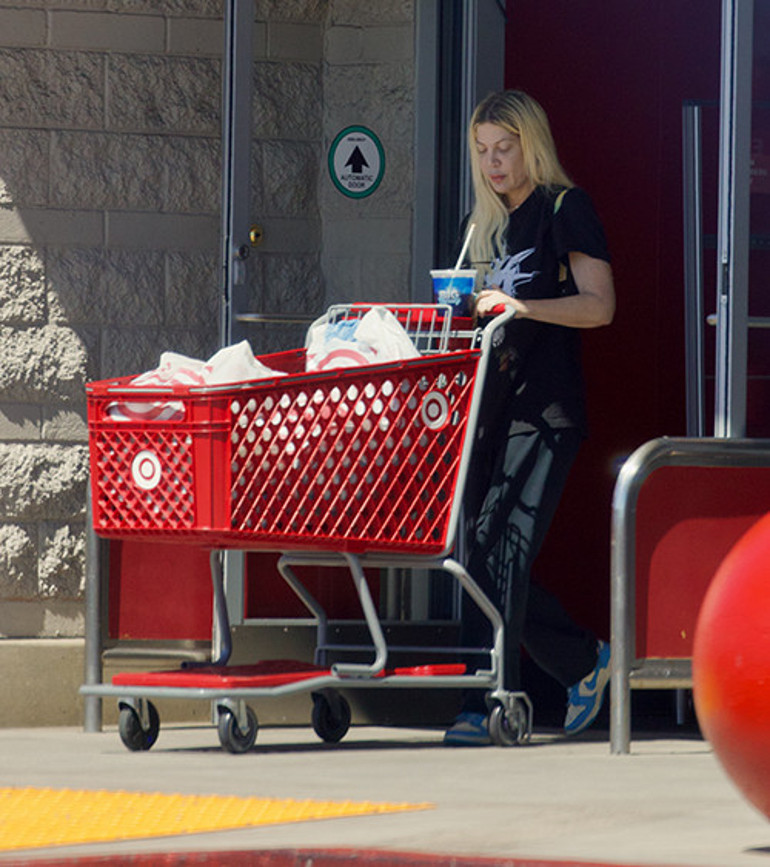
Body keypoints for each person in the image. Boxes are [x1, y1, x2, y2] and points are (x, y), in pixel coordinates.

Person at [444, 89, 616, 745]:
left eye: (504, 148)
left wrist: (524, 309)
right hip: (488, 411)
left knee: (496, 555)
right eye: (482, 151)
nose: (493, 163)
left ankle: (485, 699)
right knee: (471, 552)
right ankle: (580, 659)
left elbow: (599, 306)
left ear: (530, 143)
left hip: (545, 411)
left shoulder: (564, 210)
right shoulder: (482, 227)